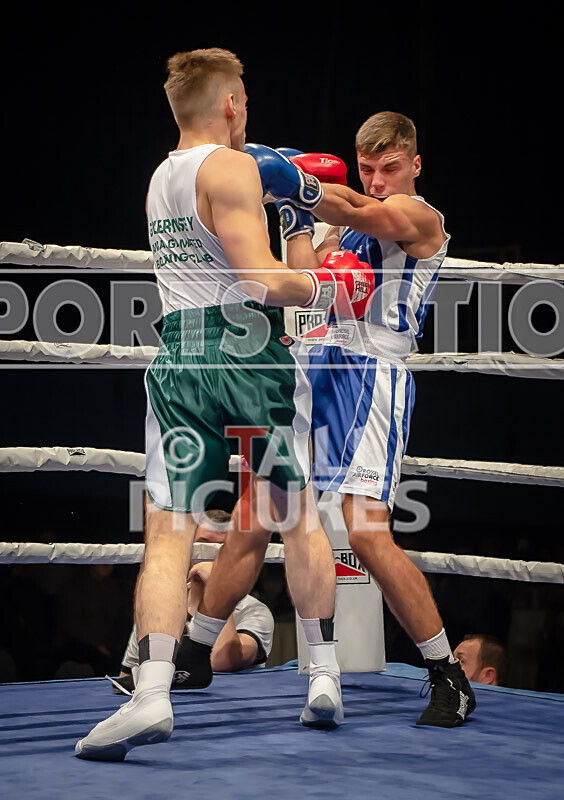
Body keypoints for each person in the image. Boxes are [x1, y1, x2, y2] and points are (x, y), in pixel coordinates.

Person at [75, 47, 371, 762]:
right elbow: (263, 278)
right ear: (232, 105)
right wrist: (331, 287)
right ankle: (324, 675)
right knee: (293, 513)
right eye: (245, 100)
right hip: (244, 350)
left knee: (169, 527)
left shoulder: (158, 180)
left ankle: (150, 691)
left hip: (179, 356)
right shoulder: (234, 168)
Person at [243, 112, 476, 728]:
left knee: (366, 533)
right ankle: (193, 652)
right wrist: (293, 215)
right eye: (366, 168)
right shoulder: (339, 227)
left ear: (415, 164)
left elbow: (365, 215)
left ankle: (446, 671)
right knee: (275, 508)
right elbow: (306, 279)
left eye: (389, 167)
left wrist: (304, 187)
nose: (376, 180)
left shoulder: (420, 217)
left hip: (373, 377)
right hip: (317, 369)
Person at [113, 511, 274, 693]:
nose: (211, 555)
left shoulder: (254, 610)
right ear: (188, 547)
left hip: (233, 710)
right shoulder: (160, 609)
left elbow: (221, 661)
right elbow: (126, 681)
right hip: (170, 710)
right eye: (203, 545)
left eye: (221, 547)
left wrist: (217, 587)